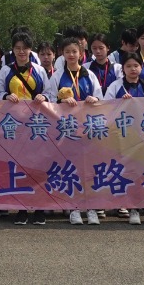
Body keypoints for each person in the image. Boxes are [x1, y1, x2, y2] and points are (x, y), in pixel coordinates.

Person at [47, 36, 103, 226]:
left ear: (81, 53)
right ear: (62, 54)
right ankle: (74, 208)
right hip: (67, 128)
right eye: (67, 52)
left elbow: (100, 97)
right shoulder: (57, 76)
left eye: (74, 51)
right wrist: (61, 101)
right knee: (70, 168)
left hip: (88, 127)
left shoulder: (90, 75)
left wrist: (95, 100)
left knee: (90, 168)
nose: (71, 55)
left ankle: (92, 207)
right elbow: (49, 99)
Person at [105, 53, 144, 225]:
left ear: (141, 67)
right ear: (123, 69)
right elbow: (105, 107)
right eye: (128, 66)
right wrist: (119, 102)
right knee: (130, 172)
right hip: (124, 136)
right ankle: (133, 208)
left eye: (136, 65)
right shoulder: (116, 86)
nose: (133, 69)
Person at [0, 33, 46, 102]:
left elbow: (48, 92)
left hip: (35, 108)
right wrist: (6, 96)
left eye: (25, 48)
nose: (21, 51)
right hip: (11, 108)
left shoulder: (40, 70)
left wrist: (43, 97)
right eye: (18, 48)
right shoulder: (5, 70)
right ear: (13, 49)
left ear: (30, 49)